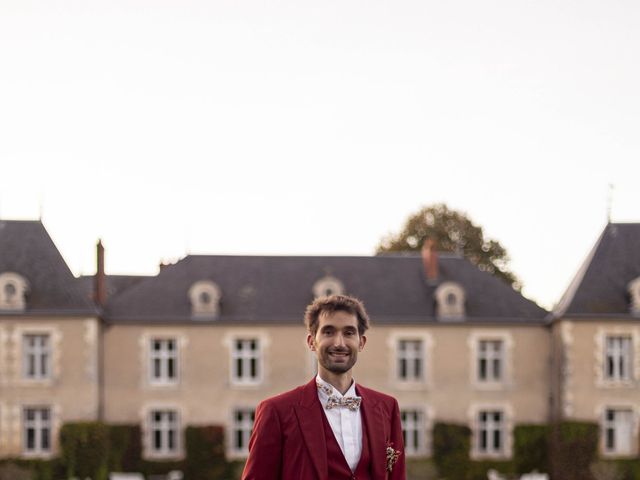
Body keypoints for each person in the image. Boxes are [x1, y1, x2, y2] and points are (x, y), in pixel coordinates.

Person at [242, 294, 406, 480]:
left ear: (361, 342)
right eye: (328, 332)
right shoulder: (276, 411)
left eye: (349, 333)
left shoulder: (387, 407)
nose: (339, 343)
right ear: (312, 342)